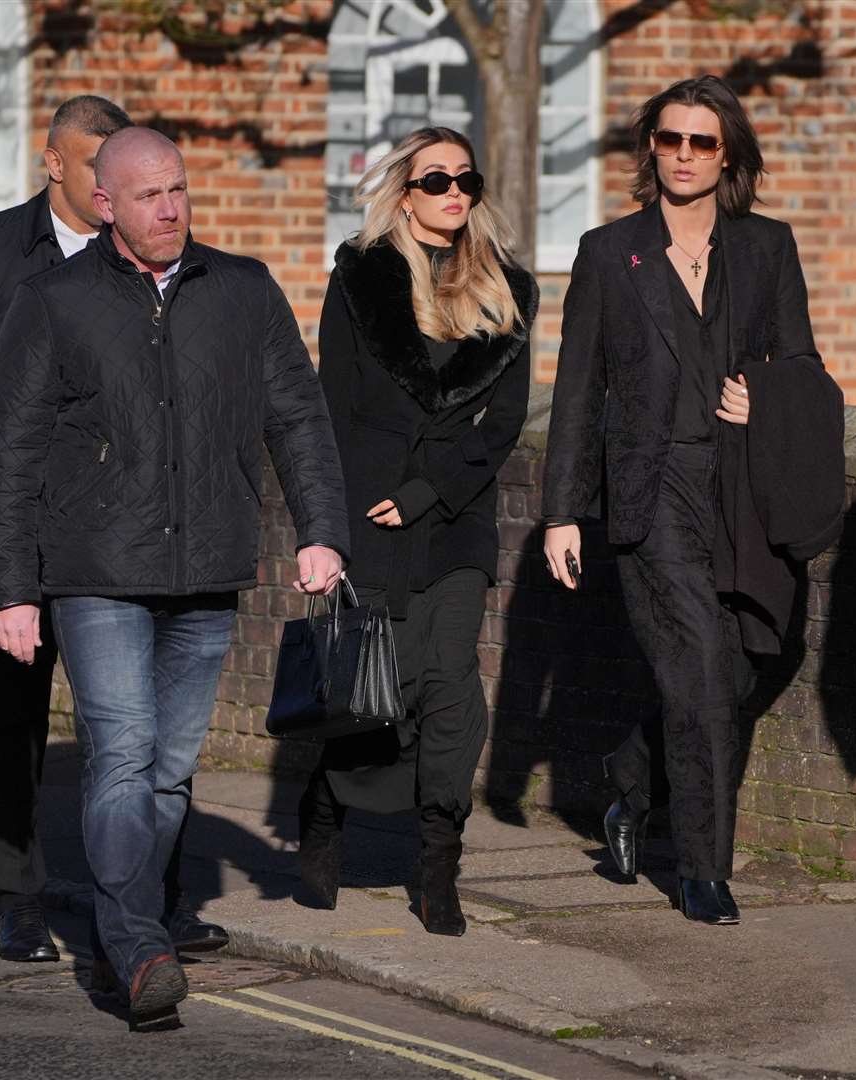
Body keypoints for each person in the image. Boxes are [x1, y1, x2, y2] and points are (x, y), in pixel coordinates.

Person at [0, 127, 349, 1022]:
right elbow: (10, 456)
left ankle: (122, 929)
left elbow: (298, 417)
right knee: (124, 754)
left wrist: (321, 531)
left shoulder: (244, 290)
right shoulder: (54, 300)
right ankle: (139, 949)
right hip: (96, 570)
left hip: (207, 568)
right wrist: (10, 589)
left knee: (173, 770)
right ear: (106, 204)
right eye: (150, 196)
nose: (172, 209)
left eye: (179, 190)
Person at [0, 96, 226, 963]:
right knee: (11, 711)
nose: (113, 191)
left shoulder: (146, 261)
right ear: (54, 165)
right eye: (94, 169)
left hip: (126, 526)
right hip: (17, 518)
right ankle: (15, 898)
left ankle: (156, 902)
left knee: (140, 723)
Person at [542, 76, 827, 926]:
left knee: (750, 659)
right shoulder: (608, 253)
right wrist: (562, 510)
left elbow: (803, 366)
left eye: (703, 143)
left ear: (728, 154)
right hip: (652, 491)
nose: (684, 157)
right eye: (670, 140)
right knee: (701, 666)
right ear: (651, 147)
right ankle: (703, 869)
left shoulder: (767, 248)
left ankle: (631, 780)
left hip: (741, 488)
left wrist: (768, 394)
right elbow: (578, 392)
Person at [301, 127, 538, 936]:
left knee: (450, 687)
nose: (454, 194)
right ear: (403, 191)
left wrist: (428, 488)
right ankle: (327, 805)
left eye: (465, 179)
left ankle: (439, 862)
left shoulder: (506, 288)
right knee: (378, 696)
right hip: (370, 514)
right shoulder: (360, 278)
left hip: (454, 516)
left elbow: (501, 422)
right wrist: (326, 525)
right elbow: (332, 406)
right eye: (435, 180)